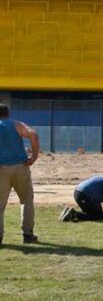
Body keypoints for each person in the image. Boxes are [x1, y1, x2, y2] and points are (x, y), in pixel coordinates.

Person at [0, 103, 39, 246]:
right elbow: (33, 135)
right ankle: (27, 234)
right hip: (20, 167)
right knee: (26, 200)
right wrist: (34, 157)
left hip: (1, 169)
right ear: (8, 114)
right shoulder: (16, 124)